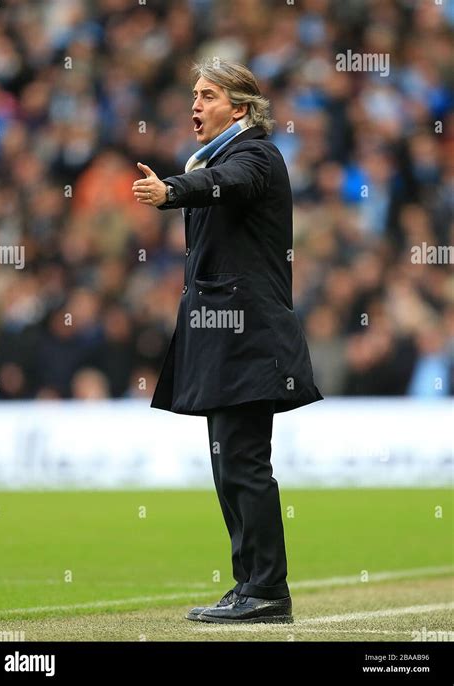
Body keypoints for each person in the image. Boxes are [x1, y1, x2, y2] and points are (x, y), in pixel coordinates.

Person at [132, 59, 323, 624]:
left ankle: (267, 590)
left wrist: (171, 190)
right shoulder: (219, 158)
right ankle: (250, 585)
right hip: (223, 335)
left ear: (239, 108)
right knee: (230, 465)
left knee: (243, 463)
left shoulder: (255, 157)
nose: (194, 104)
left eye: (207, 95)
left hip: (248, 337)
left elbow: (222, 185)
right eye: (192, 94)